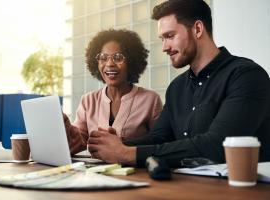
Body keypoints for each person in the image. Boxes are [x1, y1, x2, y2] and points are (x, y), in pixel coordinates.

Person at [87, 0, 270, 167]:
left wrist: (128, 153)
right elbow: (160, 138)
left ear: (197, 29)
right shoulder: (177, 87)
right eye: (162, 39)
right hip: (189, 186)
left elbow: (217, 145)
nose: (165, 47)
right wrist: (114, 145)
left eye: (170, 36)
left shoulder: (246, 76)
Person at [63, 29, 163, 155]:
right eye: (103, 58)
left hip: (134, 173)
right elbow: (77, 142)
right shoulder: (88, 101)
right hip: (95, 174)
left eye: (117, 57)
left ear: (131, 61)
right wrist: (64, 125)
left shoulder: (150, 100)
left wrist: (123, 144)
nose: (109, 64)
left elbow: (161, 143)